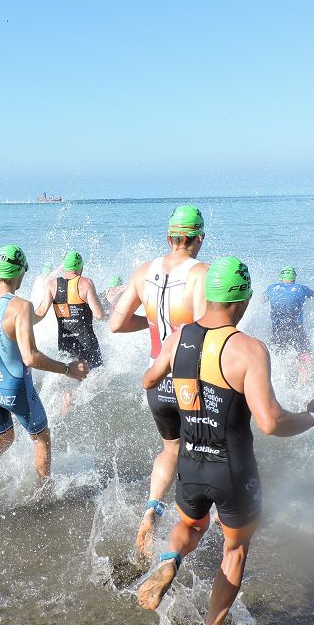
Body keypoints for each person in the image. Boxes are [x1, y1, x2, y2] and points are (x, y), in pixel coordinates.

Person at [136, 256, 314, 625]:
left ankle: (170, 560)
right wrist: (312, 418)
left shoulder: (179, 337)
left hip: (191, 462)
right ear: (243, 301)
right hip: (234, 470)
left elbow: (150, 380)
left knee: (189, 526)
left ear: (208, 296)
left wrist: (188, 397)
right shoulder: (248, 350)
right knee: (234, 550)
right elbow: (270, 422)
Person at [110, 205, 210, 558]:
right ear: (198, 237)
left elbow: (116, 324)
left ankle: (153, 507)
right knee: (198, 454)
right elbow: (202, 329)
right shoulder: (201, 273)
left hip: (157, 379)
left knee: (170, 448)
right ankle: (185, 534)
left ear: (169, 237)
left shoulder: (142, 272)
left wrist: (152, 325)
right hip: (189, 381)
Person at [0, 245, 89, 480]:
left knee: (1, 438)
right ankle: (44, 494)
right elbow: (30, 357)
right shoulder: (20, 306)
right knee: (41, 438)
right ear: (19, 272)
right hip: (15, 389)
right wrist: (67, 369)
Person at [34, 250, 105, 414]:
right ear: (80, 267)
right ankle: (73, 399)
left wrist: (22, 321)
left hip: (65, 342)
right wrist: (109, 316)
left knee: (72, 373)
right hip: (87, 341)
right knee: (97, 376)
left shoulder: (52, 285)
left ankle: (64, 405)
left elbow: (40, 312)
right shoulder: (85, 283)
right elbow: (99, 315)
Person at [263, 266, 314, 382]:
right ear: (294, 278)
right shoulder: (302, 288)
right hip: (297, 330)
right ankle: (304, 383)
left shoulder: (271, 288)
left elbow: (261, 300)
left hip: (278, 331)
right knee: (305, 355)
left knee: (278, 355)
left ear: (281, 277)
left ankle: (282, 380)